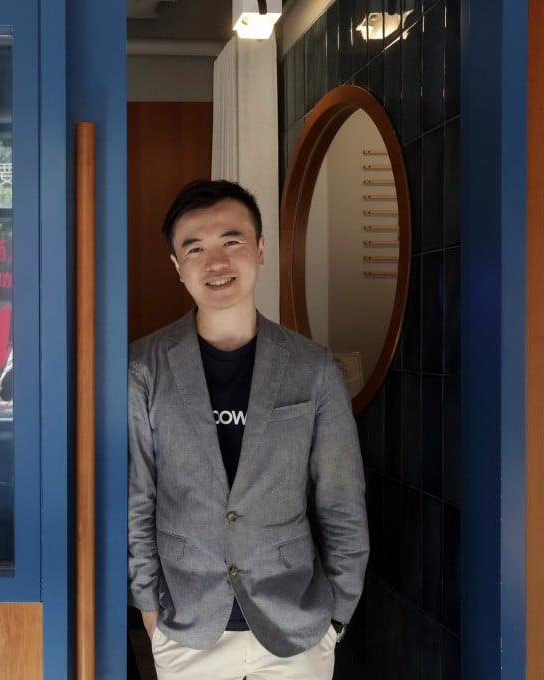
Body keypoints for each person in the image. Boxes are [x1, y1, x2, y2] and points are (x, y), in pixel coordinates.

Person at [127, 179, 369, 679]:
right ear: (177, 265)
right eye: (195, 248)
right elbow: (137, 498)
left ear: (260, 250)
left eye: (232, 242)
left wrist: (336, 616)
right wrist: (149, 609)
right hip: (187, 627)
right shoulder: (143, 367)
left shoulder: (313, 368)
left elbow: (342, 501)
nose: (215, 262)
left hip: (296, 628)